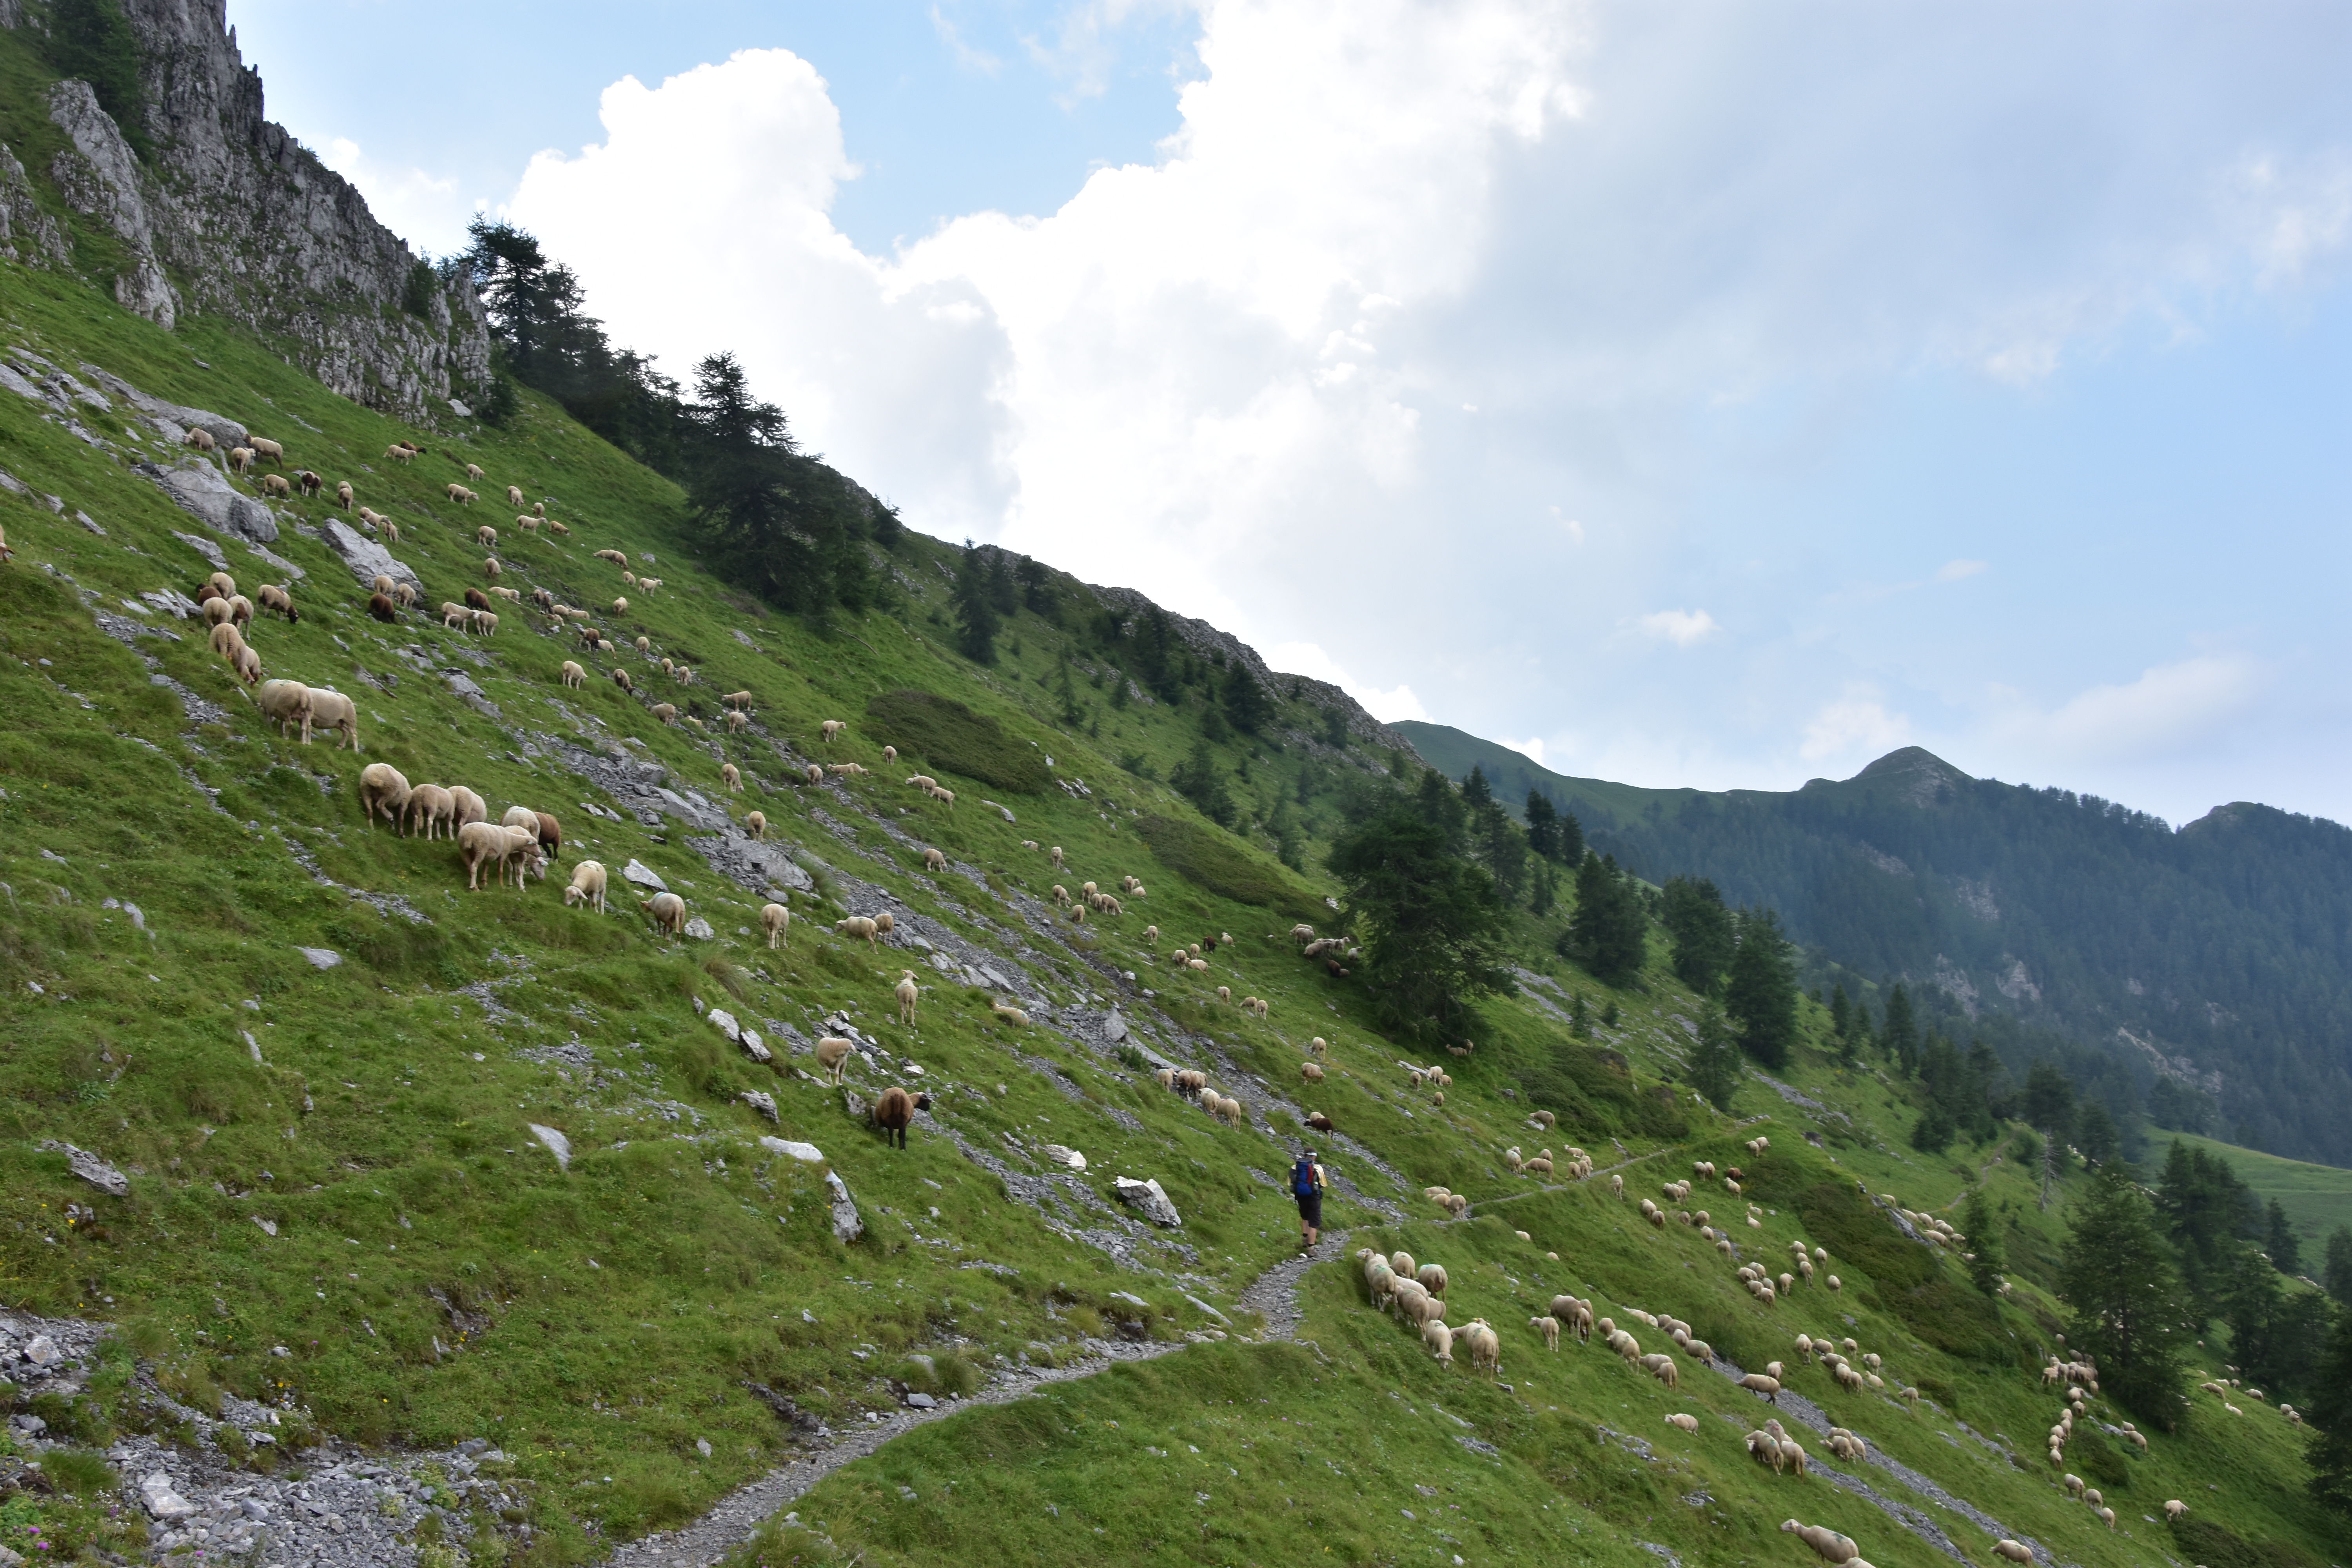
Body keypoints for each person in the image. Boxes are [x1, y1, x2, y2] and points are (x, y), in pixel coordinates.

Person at [1291, 1148, 1327, 1251]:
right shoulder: (1317, 1168)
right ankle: (1311, 1249)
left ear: (1305, 1155)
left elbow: (1291, 1182)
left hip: (1300, 1197)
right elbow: (1323, 1184)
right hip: (1314, 1198)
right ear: (1314, 1157)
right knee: (1314, 1223)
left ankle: (1305, 1240)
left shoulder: (1295, 1167)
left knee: (1305, 1217)